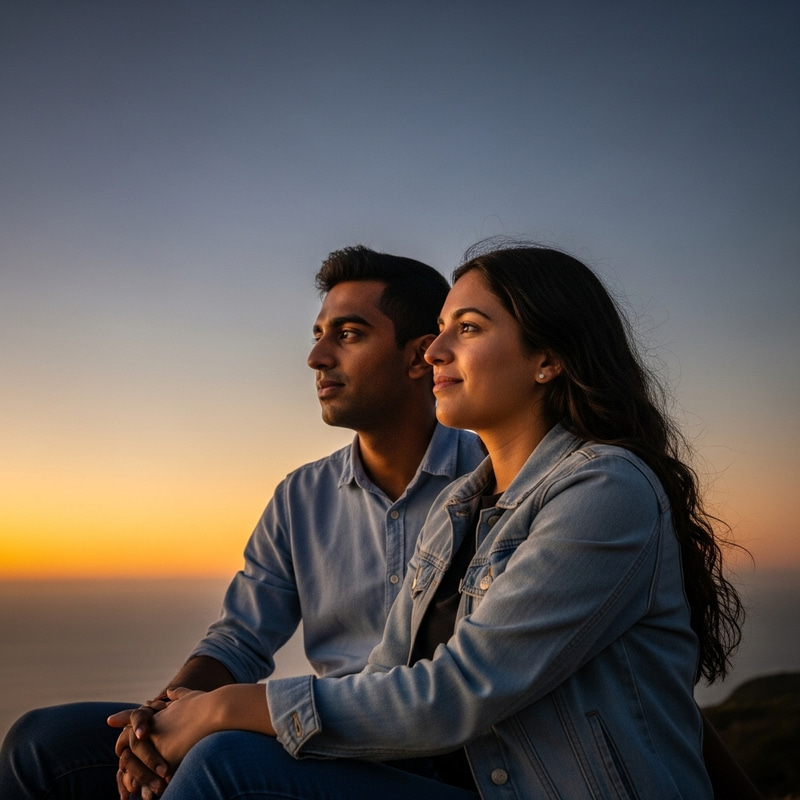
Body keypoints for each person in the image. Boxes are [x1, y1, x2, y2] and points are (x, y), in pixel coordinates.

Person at [117, 242, 750, 799]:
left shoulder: (604, 488)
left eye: (467, 328)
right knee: (50, 747)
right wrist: (173, 720)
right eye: (441, 327)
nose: (437, 349)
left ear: (547, 359)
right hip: (414, 755)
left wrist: (223, 711)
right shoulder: (464, 505)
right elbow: (378, 673)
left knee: (227, 764)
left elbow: (459, 691)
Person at [0, 246, 485, 800]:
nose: (316, 357)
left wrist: (215, 719)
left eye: (348, 334)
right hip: (324, 745)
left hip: (442, 761)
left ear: (420, 356)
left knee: (222, 757)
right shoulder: (301, 496)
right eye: (318, 333)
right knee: (40, 742)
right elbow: (240, 639)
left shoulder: (493, 481)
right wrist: (158, 720)